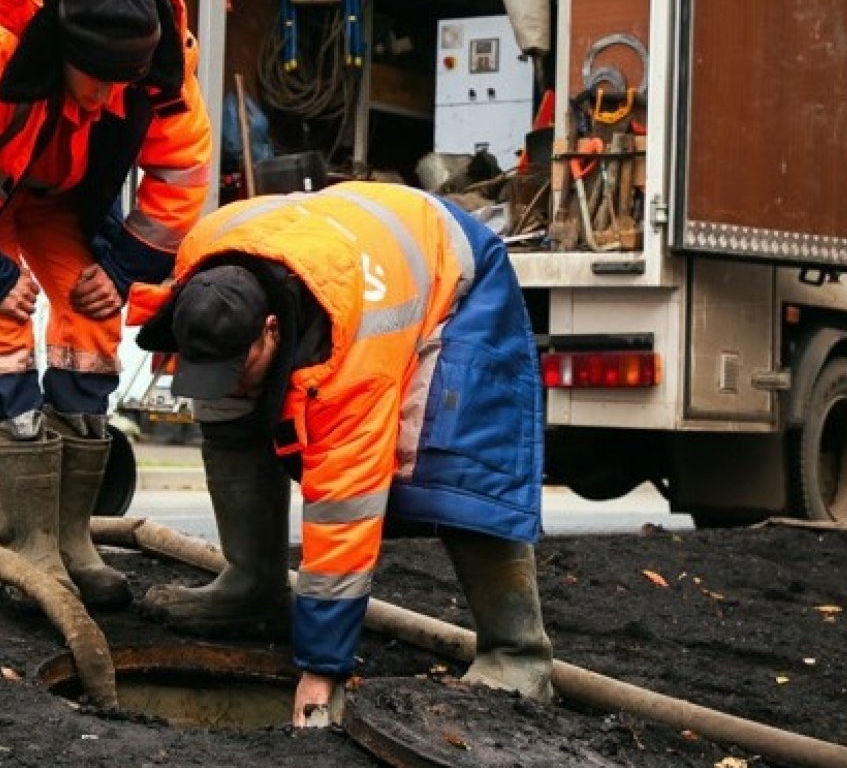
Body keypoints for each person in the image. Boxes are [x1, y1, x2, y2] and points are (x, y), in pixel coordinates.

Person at [129, 181, 555, 726]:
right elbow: (230, 369)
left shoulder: (351, 359)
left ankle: (517, 655)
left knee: (459, 460)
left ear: (271, 329)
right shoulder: (204, 263)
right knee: (228, 412)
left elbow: (344, 512)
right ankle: (253, 588)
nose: (228, 381)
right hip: (337, 247)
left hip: (454, 279)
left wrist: (320, 668)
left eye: (239, 365)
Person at [0, 0, 212, 609]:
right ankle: (30, 547)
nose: (109, 101)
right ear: (62, 48)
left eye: (121, 85)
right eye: (97, 82)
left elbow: (182, 172)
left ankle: (72, 539)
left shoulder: (159, 52)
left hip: (63, 198)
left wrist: (124, 267)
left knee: (95, 318)